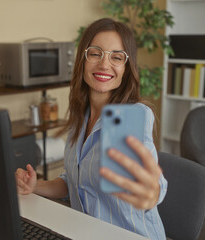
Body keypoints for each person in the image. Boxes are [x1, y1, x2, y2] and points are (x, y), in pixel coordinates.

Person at [15, 18, 167, 240]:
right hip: (85, 232)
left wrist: (151, 191)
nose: (105, 64)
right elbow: (73, 181)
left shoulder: (130, 116)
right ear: (83, 60)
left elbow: (149, 187)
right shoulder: (80, 115)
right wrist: (35, 185)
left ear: (126, 68)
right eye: (96, 53)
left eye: (117, 57)